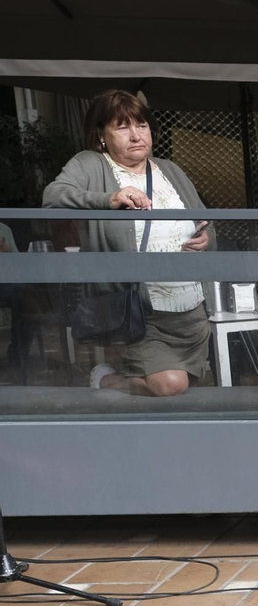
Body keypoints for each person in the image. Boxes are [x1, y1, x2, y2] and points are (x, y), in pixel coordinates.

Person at [42, 89, 214, 396]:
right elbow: (53, 198)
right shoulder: (92, 164)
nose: (136, 135)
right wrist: (109, 199)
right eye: (122, 127)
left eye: (142, 126)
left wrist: (205, 237)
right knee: (168, 385)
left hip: (190, 308)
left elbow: (203, 221)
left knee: (186, 389)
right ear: (101, 136)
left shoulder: (170, 170)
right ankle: (106, 380)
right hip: (139, 311)